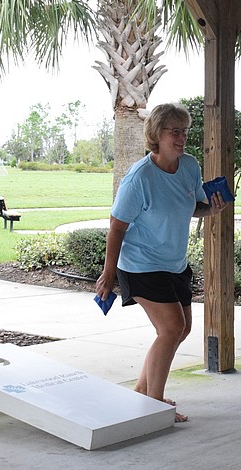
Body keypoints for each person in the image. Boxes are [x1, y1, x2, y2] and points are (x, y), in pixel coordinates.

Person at [95, 103, 227, 423]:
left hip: (174, 263)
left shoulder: (190, 166)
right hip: (140, 264)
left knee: (180, 330)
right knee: (171, 328)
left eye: (185, 131)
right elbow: (116, 226)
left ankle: (143, 388)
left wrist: (211, 210)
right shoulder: (139, 177)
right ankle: (153, 404)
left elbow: (193, 205)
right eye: (175, 131)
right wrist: (108, 273)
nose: (182, 137)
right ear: (156, 134)